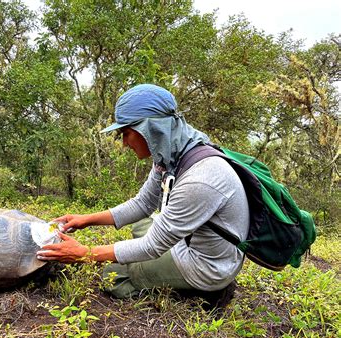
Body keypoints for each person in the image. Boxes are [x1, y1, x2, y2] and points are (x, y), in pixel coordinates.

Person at [36, 84, 249, 306]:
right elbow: (143, 204)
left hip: (207, 265)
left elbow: (152, 246)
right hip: (189, 242)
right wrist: (86, 219)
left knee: (114, 275)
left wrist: (85, 253)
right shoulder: (171, 156)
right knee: (140, 226)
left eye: (126, 133)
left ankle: (206, 293)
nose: (125, 143)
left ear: (151, 128)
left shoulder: (201, 178)